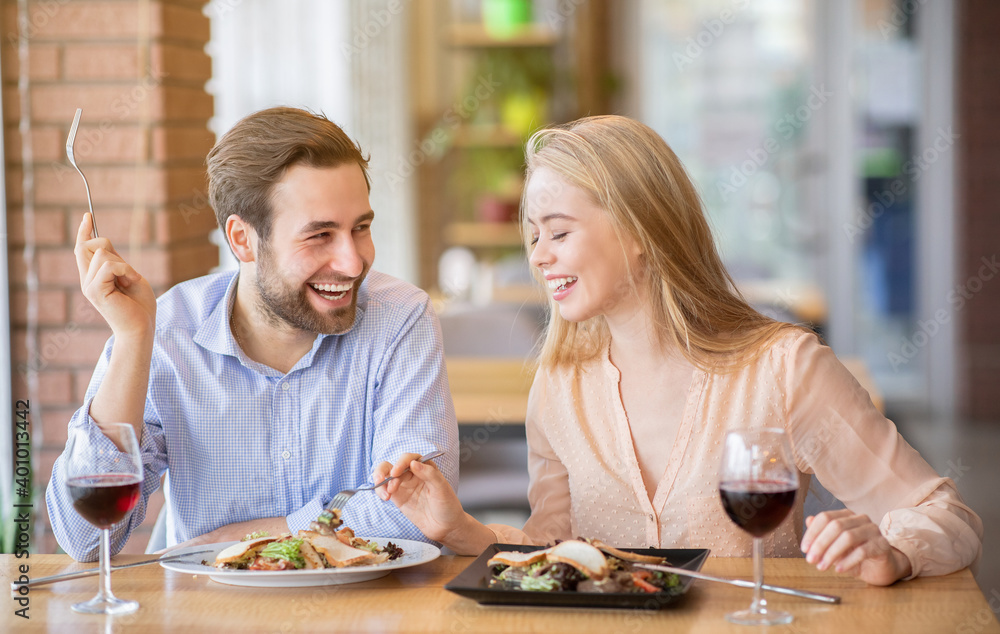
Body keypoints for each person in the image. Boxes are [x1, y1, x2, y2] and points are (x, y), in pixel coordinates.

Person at [379, 115, 983, 586]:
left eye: (559, 232)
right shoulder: (558, 387)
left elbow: (945, 515)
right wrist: (458, 529)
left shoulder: (785, 370)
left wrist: (896, 553)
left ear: (641, 232)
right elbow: (554, 552)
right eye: (534, 236)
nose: (539, 256)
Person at [46, 107, 459, 561]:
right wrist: (131, 340)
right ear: (242, 240)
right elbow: (86, 539)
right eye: (320, 235)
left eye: (360, 228)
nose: (353, 262)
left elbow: (418, 513)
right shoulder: (164, 333)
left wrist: (254, 535)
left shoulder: (400, 318)